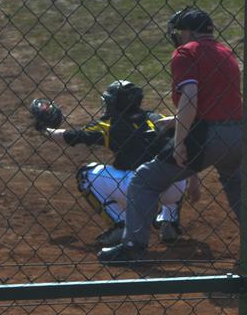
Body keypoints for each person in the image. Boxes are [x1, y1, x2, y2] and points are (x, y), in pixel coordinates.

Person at [98, 7, 243, 264]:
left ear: (187, 32)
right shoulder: (226, 53)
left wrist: (178, 141)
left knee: (144, 180)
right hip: (239, 135)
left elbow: (190, 98)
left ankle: (133, 246)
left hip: (207, 135)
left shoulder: (186, 52)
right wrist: (177, 121)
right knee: (235, 185)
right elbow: (217, 101)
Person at [37, 80, 189, 247]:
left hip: (135, 190)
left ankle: (120, 224)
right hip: (172, 187)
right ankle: (170, 221)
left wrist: (45, 130)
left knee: (85, 174)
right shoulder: (157, 118)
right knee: (178, 161)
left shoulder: (109, 124)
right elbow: (185, 145)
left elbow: (70, 136)